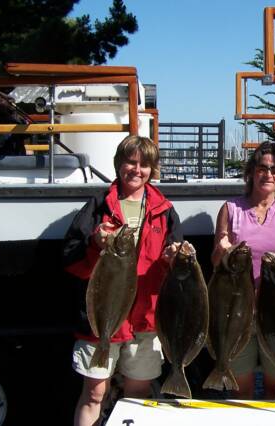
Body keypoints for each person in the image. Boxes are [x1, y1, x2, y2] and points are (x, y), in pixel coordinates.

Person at [62, 135, 182, 426]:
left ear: (152, 169)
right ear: (119, 164)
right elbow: (71, 260)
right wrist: (95, 243)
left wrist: (175, 256)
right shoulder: (99, 206)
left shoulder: (165, 210)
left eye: (144, 164)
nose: (136, 169)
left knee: (137, 396)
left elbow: (176, 269)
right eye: (131, 162)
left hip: (146, 321)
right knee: (94, 394)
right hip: (102, 318)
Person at [210, 141, 275, 400]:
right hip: (237, 314)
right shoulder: (231, 209)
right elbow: (215, 262)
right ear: (252, 172)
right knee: (239, 390)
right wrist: (222, 250)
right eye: (262, 168)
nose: (268, 174)